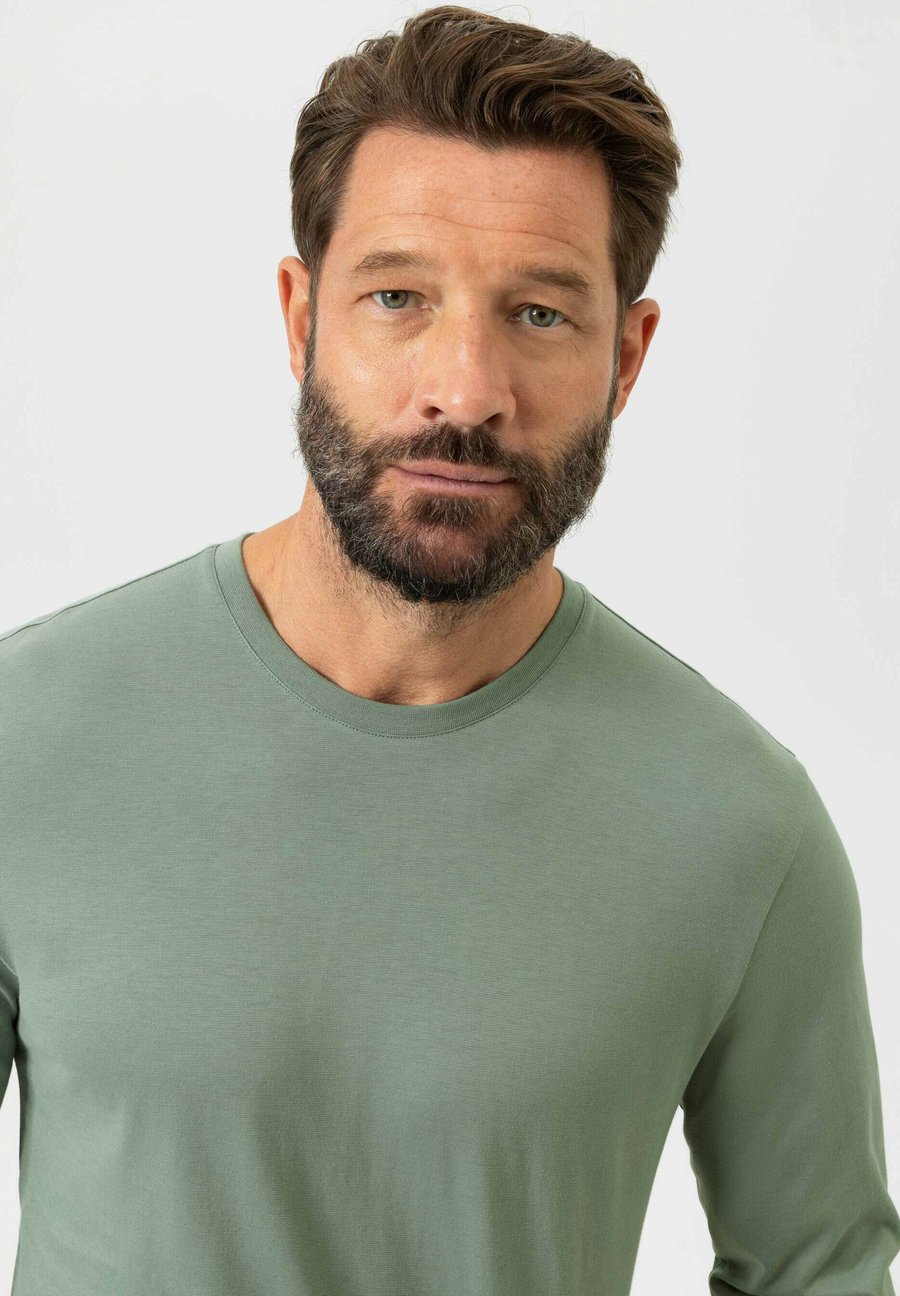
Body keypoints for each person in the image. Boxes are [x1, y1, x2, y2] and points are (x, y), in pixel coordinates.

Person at [1, 5, 897, 1293]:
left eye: (539, 313)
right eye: (397, 297)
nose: (465, 388)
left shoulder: (744, 827)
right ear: (301, 317)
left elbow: (822, 1274)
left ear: (627, 357)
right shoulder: (25, 741)